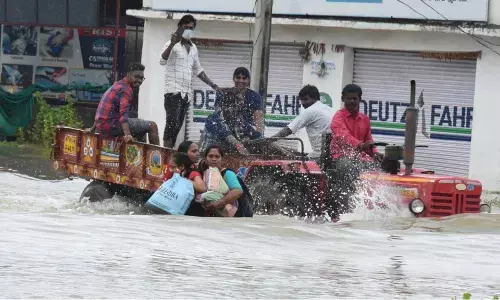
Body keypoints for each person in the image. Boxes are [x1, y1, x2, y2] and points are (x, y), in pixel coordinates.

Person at [160, 14, 219, 148]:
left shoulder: (193, 48)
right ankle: (166, 152)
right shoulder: (170, 44)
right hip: (172, 92)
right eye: (185, 27)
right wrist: (172, 44)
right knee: (171, 123)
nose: (187, 30)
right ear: (179, 27)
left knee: (177, 126)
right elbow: (162, 60)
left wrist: (213, 85)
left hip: (186, 94)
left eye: (190, 28)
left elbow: (198, 70)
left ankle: (170, 154)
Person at [327, 83, 383, 218]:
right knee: (349, 167)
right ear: (343, 99)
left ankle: (377, 204)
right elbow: (342, 135)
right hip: (340, 157)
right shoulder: (338, 117)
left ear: (360, 99)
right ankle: (345, 208)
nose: (352, 101)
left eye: (355, 99)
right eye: (349, 99)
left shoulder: (365, 119)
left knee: (382, 169)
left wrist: (376, 154)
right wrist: (359, 145)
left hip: (360, 157)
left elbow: (369, 140)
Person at [85, 63, 160, 145]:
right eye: (136, 77)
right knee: (152, 126)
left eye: (141, 78)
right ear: (128, 74)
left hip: (101, 125)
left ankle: (141, 154)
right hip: (111, 126)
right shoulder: (126, 90)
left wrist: (92, 129)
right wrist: (127, 134)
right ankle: (159, 156)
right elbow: (123, 114)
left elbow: (102, 109)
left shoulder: (118, 84)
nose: (139, 80)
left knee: (141, 128)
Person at [272, 85, 334, 160]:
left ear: (315, 98)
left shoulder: (311, 110)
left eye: (305, 99)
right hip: (332, 154)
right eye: (301, 100)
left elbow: (289, 129)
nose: (303, 103)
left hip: (319, 156)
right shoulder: (328, 109)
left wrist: (269, 140)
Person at [200, 145, 253, 218]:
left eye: (217, 157)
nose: (214, 159)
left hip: (235, 216)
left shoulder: (227, 173)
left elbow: (238, 191)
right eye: (210, 156)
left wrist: (219, 204)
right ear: (205, 159)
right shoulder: (206, 174)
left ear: (222, 159)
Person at [214, 67, 264, 133]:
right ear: (233, 79)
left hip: (246, 131)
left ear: (248, 80)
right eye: (238, 77)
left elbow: (258, 119)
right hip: (226, 130)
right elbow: (217, 114)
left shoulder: (255, 96)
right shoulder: (224, 93)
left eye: (244, 78)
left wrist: (259, 135)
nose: (241, 81)